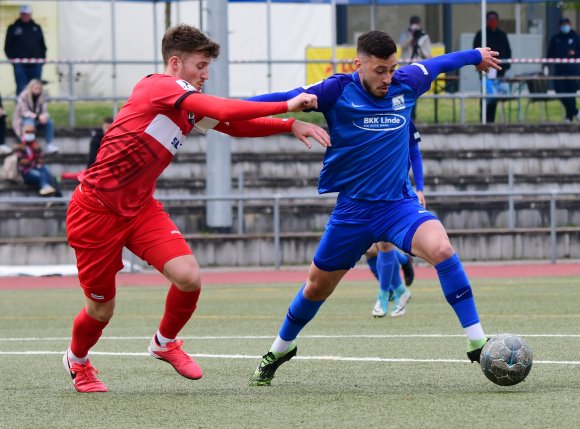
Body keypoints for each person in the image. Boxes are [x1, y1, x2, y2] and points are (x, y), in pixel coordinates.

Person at [62, 24, 329, 393]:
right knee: (101, 311)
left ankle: (164, 342)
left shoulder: (185, 104)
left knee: (189, 277)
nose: (205, 75)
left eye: (207, 67)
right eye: (200, 66)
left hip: (139, 209)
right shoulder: (158, 86)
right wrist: (288, 104)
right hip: (94, 213)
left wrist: (288, 125)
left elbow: (230, 124)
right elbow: (222, 107)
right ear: (176, 63)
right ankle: (77, 361)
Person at [245, 30, 500, 386]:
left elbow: (440, 63)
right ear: (359, 65)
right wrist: (224, 109)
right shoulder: (334, 90)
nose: (387, 77)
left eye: (392, 69)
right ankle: (280, 348)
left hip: (399, 206)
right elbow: (279, 98)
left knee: (441, 247)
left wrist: (476, 55)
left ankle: (478, 341)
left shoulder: (407, 82)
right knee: (316, 288)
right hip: (353, 213)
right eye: (380, 70)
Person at [370, 121, 425, 318]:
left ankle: (385, 295)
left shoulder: (400, 116)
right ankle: (401, 278)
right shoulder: (359, 113)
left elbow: (414, 153)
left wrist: (420, 188)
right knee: (371, 248)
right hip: (366, 188)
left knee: (382, 244)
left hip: (394, 191)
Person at [473, 11, 512, 123]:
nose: (492, 21)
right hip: (486, 71)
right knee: (486, 95)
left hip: (499, 72)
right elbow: (476, 51)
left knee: (495, 97)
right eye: (490, 19)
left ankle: (491, 120)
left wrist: (506, 66)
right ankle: (484, 119)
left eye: (494, 18)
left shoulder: (502, 35)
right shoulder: (481, 34)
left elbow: (508, 51)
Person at [4, 5, 47, 96]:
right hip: (20, 64)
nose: (25, 16)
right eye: (23, 14)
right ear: (20, 14)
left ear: (30, 14)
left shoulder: (36, 27)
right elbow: (7, 46)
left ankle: (36, 109)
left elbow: (42, 45)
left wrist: (42, 59)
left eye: (27, 14)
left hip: (36, 63)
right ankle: (21, 109)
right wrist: (13, 60)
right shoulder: (13, 28)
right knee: (21, 87)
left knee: (36, 88)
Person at [13, 121, 61, 196]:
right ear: (23, 133)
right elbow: (22, 162)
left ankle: (48, 190)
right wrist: (34, 162)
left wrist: (35, 162)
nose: (30, 134)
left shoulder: (36, 146)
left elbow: (40, 161)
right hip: (26, 173)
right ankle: (53, 194)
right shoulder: (19, 146)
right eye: (27, 132)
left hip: (37, 169)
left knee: (46, 170)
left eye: (32, 132)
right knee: (46, 176)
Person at [547, 17, 580, 122]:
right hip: (560, 71)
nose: (565, 26)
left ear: (570, 24)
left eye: (566, 24)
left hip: (573, 72)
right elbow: (549, 55)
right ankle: (575, 112)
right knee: (560, 91)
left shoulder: (576, 38)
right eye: (562, 24)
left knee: (571, 94)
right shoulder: (555, 39)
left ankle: (569, 117)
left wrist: (575, 54)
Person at [12, 79, 58, 154]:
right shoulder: (23, 96)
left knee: (49, 122)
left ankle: (50, 144)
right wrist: (37, 117)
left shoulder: (42, 96)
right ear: (31, 88)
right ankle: (28, 146)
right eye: (36, 88)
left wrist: (44, 116)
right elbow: (24, 112)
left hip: (37, 119)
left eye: (39, 88)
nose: (38, 90)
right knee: (29, 123)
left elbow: (44, 110)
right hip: (23, 119)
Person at [399, 16, 432, 120]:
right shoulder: (405, 34)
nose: (415, 25)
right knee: (404, 91)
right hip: (405, 68)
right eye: (413, 23)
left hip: (417, 68)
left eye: (416, 23)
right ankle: (406, 115)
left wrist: (418, 44)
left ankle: (413, 116)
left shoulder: (424, 36)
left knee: (414, 91)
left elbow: (428, 54)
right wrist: (411, 38)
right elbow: (402, 45)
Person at [61, 117, 114, 181]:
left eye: (109, 127)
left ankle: (64, 176)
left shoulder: (115, 139)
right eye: (106, 127)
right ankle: (64, 176)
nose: (107, 129)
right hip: (97, 169)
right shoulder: (96, 140)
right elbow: (92, 158)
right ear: (102, 126)